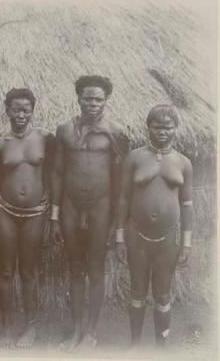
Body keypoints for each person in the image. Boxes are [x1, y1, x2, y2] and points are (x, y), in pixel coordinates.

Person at [51, 75, 129, 351]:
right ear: (78, 98)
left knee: (95, 269)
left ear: (106, 100)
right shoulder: (64, 130)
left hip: (101, 206)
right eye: (88, 98)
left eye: (98, 99)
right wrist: (55, 216)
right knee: (75, 269)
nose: (93, 103)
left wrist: (115, 226)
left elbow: (120, 184)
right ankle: (76, 330)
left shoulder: (116, 133)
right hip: (71, 205)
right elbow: (58, 172)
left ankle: (91, 333)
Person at [115, 104, 193, 347]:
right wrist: (119, 237)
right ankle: (135, 345)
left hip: (168, 239)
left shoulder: (183, 163)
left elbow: (188, 205)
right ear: (148, 127)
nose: (162, 132)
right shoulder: (134, 158)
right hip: (136, 235)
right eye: (157, 127)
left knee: (162, 293)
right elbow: (123, 199)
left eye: (167, 127)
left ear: (175, 130)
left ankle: (161, 347)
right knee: (137, 291)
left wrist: (187, 243)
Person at [0, 88, 55, 349]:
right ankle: (5, 327)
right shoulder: (0, 144)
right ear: (7, 110)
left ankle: (30, 327)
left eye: (26, 109)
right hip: (5, 211)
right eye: (16, 109)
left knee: (28, 272)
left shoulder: (45, 139)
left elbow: (55, 176)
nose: (21, 114)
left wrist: (54, 215)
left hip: (36, 213)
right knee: (4, 271)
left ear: (33, 110)